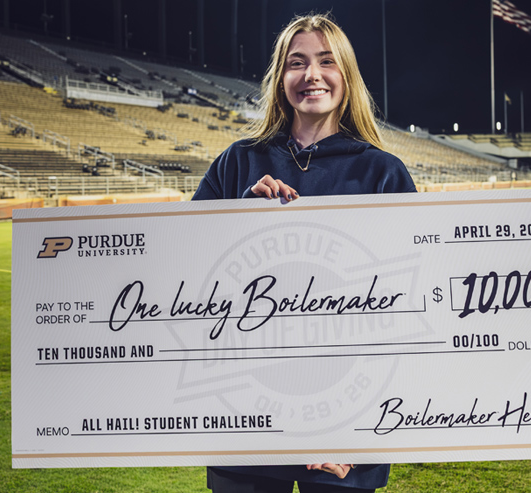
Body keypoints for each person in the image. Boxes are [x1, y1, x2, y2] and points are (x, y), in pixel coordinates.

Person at [192, 12, 416, 493]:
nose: (311, 74)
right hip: (245, 421)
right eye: (297, 63)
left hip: (344, 430)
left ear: (347, 76)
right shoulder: (237, 162)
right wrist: (238, 219)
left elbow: (407, 310)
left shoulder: (383, 174)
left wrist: (357, 437)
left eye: (326, 61)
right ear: (280, 79)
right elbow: (184, 277)